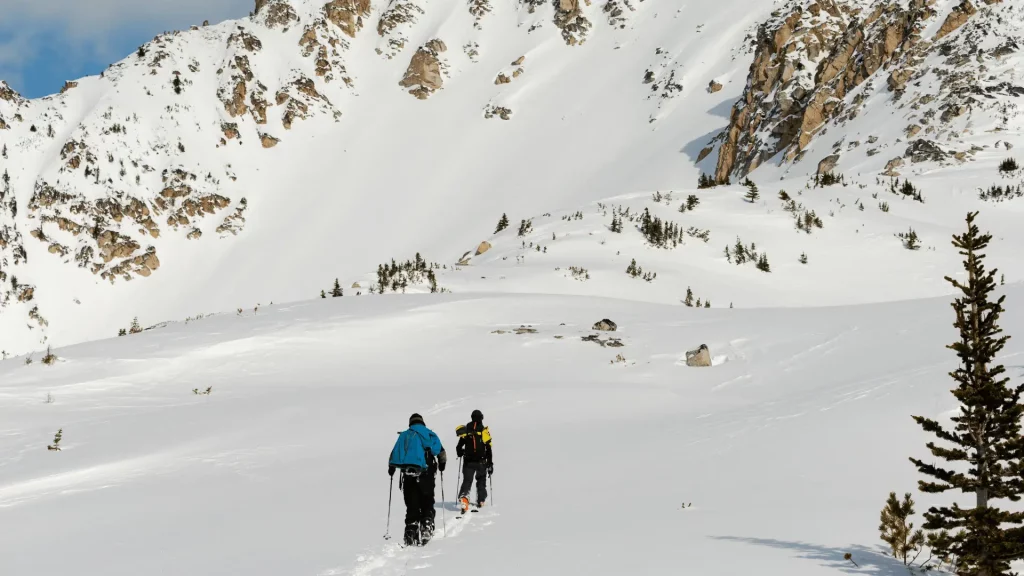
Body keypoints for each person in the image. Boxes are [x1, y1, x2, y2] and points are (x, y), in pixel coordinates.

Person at [389, 413, 447, 546]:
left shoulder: (404, 435)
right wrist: (442, 465)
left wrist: (391, 469)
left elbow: (394, 454)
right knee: (427, 500)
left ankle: (411, 529)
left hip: (408, 474)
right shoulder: (428, 434)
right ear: (422, 423)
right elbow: (440, 451)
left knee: (412, 502)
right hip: (426, 473)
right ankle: (426, 525)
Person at [455, 409, 493, 512]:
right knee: (481, 480)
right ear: (481, 418)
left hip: (468, 461)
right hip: (481, 462)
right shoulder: (484, 430)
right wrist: (490, 463)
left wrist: (460, 453)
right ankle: (481, 500)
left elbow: (458, 447)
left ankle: (464, 498)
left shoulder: (466, 430)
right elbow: (488, 448)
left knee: (467, 480)